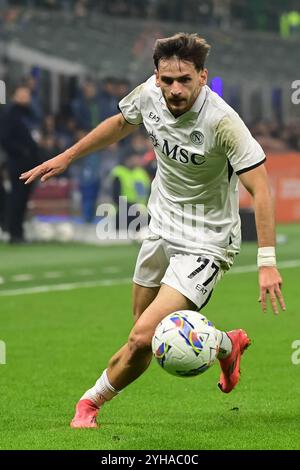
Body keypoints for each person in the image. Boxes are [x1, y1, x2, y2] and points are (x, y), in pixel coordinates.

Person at [20, 33, 286, 428]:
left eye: (185, 80)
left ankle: (88, 404)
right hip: (160, 228)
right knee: (143, 333)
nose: (175, 89)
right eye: (167, 80)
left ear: (202, 76)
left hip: (206, 241)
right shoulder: (149, 94)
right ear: (156, 76)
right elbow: (119, 123)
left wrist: (267, 261)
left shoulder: (223, 122)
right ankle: (226, 345)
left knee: (143, 337)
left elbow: (260, 189)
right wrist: (68, 155)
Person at [0, 85, 40, 243]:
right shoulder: (10, 114)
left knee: (23, 198)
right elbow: (5, 138)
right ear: (14, 95)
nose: (25, 97)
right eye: (22, 94)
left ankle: (19, 231)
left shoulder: (29, 114)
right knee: (17, 197)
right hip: (17, 162)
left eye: (27, 94)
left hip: (30, 163)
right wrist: (22, 151)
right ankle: (13, 232)